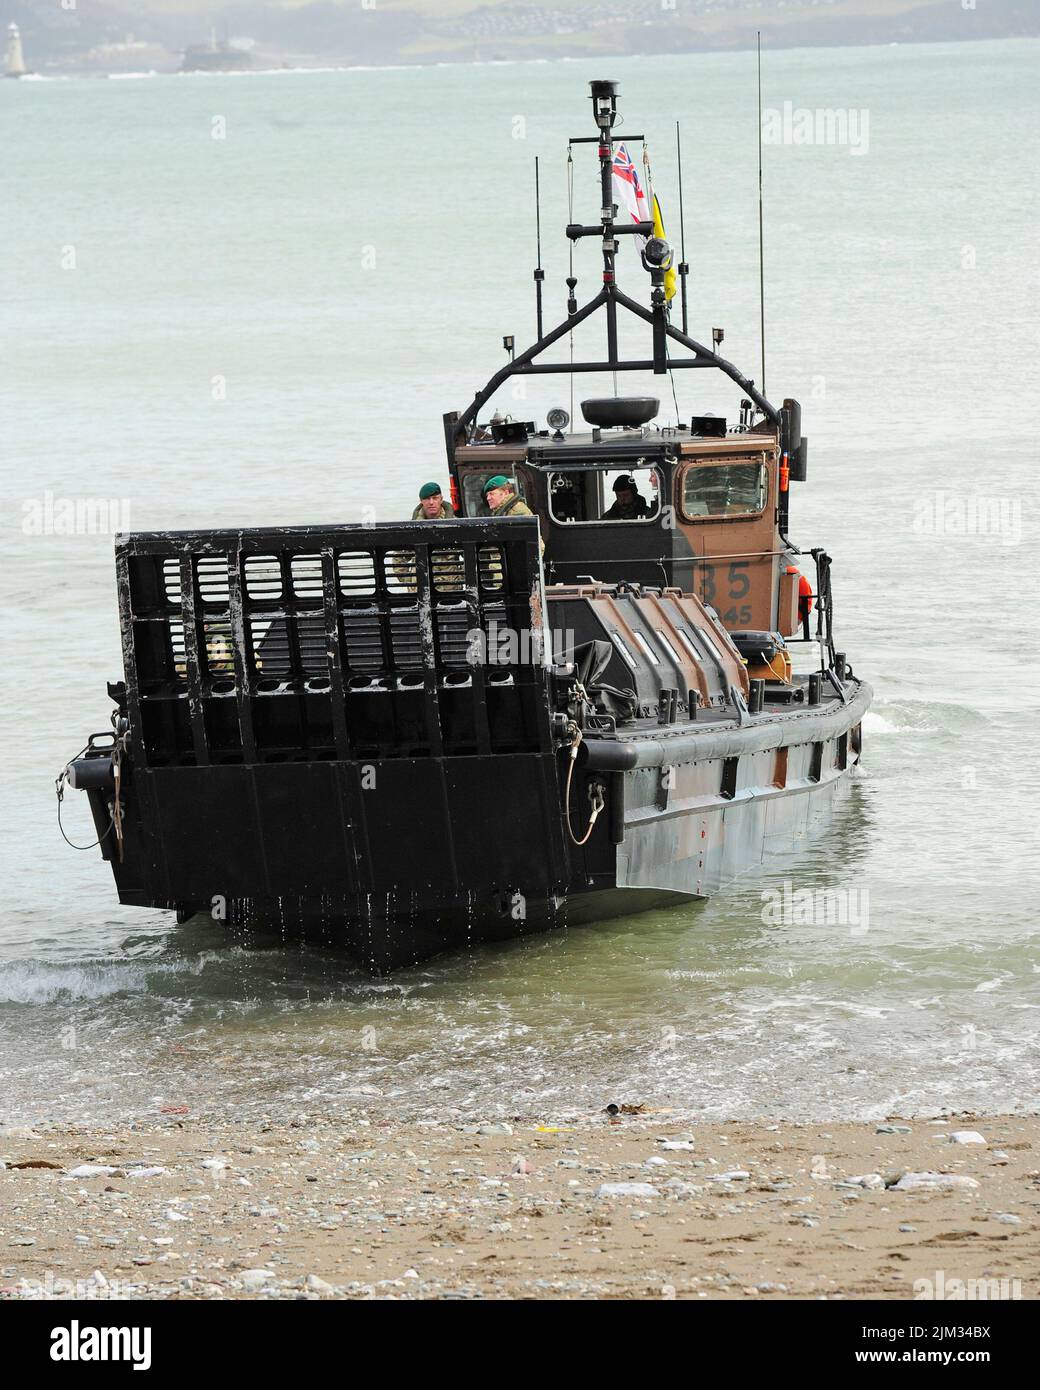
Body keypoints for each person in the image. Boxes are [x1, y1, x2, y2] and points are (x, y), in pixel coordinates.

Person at [483, 475, 544, 555]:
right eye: (487, 495)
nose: (488, 498)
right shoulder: (503, 512)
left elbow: (534, 546)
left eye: (492, 494)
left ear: (505, 493)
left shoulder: (517, 512)